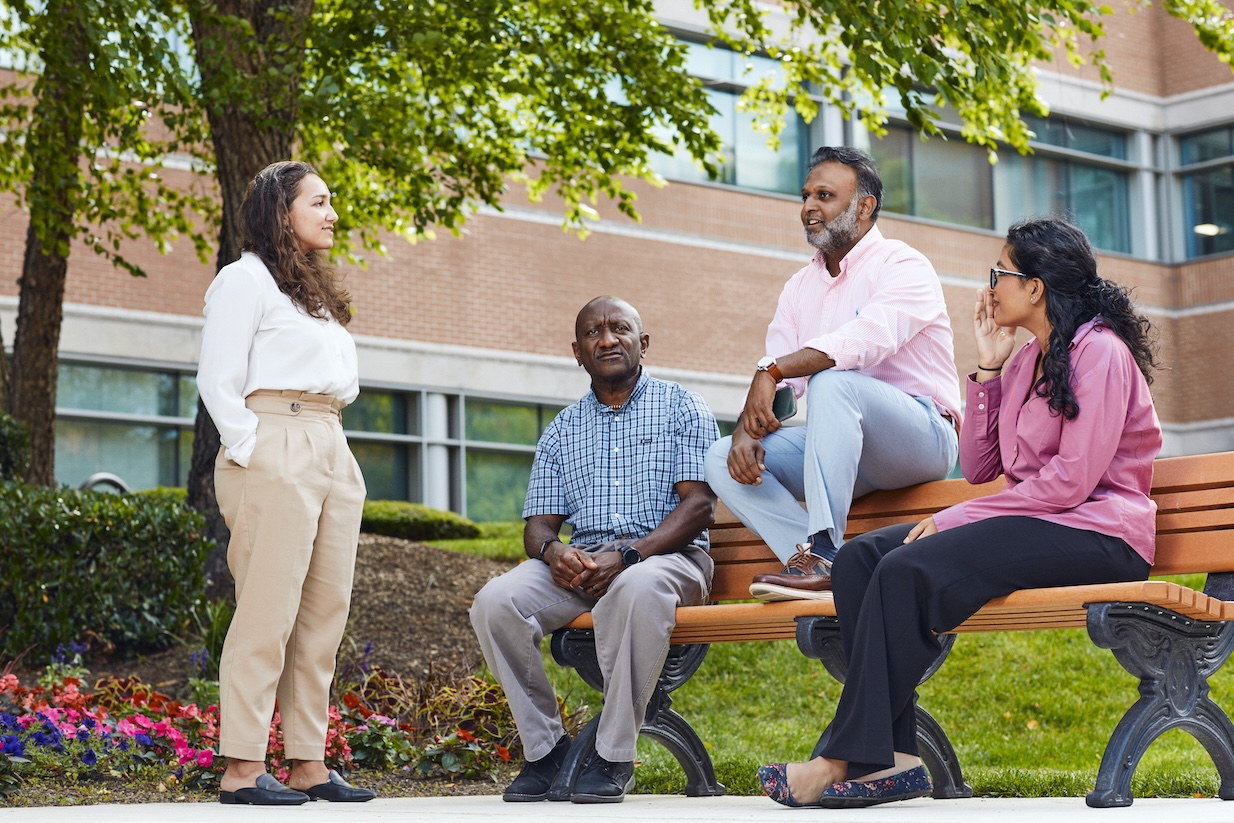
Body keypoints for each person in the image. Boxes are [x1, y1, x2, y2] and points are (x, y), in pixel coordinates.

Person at [757, 216, 1162, 809]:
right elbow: (978, 468)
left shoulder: (1099, 352)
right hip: (1042, 522)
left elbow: (1071, 483)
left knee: (905, 568)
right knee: (861, 559)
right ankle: (891, 757)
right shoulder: (1028, 359)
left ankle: (843, 758)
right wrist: (990, 370)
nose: (990, 283)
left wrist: (954, 520)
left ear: (1036, 288)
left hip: (1101, 533)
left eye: (1002, 272)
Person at [470, 296, 720, 804]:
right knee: (495, 603)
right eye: (593, 333)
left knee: (634, 586)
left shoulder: (681, 407)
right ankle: (546, 751)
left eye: (619, 329)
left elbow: (699, 508)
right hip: (586, 568)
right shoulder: (562, 430)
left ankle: (613, 756)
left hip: (667, 561)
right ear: (577, 352)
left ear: (642, 343)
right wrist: (553, 554)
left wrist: (628, 555)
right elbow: (538, 527)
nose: (607, 339)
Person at [704, 146, 961, 599]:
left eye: (824, 196)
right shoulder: (800, 287)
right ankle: (817, 564)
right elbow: (781, 384)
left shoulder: (904, 265)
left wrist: (772, 370)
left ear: (864, 206)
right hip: (840, 451)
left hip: (921, 439)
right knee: (721, 457)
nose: (808, 208)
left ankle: (824, 553)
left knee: (834, 381)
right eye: (805, 196)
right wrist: (750, 429)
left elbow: (863, 341)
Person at [197, 160, 375, 806]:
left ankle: (308, 761)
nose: (332, 214)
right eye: (319, 202)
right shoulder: (244, 281)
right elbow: (217, 379)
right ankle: (242, 767)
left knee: (323, 612)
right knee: (267, 610)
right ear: (282, 211)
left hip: (330, 441)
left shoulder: (313, 294)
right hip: (275, 438)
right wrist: (255, 450)